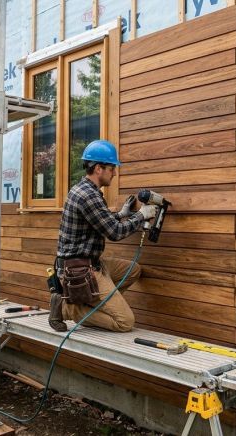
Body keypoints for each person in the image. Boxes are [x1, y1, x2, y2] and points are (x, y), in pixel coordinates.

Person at [48, 139, 157, 333]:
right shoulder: (88, 195)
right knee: (125, 322)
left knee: (132, 270)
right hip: (79, 270)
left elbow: (99, 220)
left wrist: (122, 214)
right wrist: (142, 215)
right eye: (112, 168)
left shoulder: (87, 190)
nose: (114, 173)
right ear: (99, 168)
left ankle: (90, 304)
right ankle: (71, 309)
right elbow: (114, 232)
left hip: (90, 263)